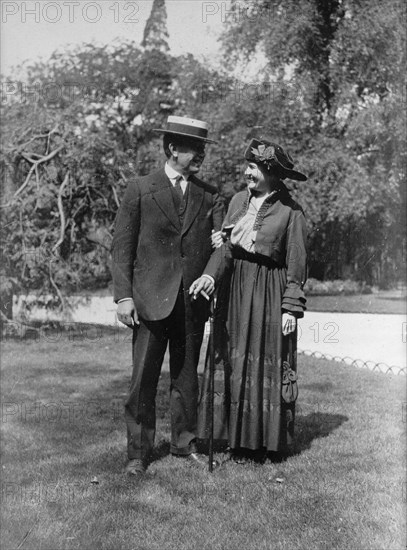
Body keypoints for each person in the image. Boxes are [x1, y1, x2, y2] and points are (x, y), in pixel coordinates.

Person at [111, 116, 224, 475]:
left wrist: (209, 274)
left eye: (203, 148)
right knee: (142, 379)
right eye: (195, 148)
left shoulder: (209, 194)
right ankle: (137, 453)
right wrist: (123, 297)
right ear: (173, 149)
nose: (201, 155)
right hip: (148, 300)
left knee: (186, 376)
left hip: (192, 303)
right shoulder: (140, 188)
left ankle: (183, 443)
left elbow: (223, 245)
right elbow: (121, 248)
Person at [190, 138, 307, 461]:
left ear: (269, 172)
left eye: (252, 168)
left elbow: (297, 261)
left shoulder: (291, 212)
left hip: (270, 291)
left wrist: (291, 307)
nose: (246, 173)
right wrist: (209, 276)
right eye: (247, 167)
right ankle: (235, 441)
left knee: (264, 362)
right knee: (235, 360)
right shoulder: (238, 201)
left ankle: (264, 444)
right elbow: (226, 249)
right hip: (236, 290)